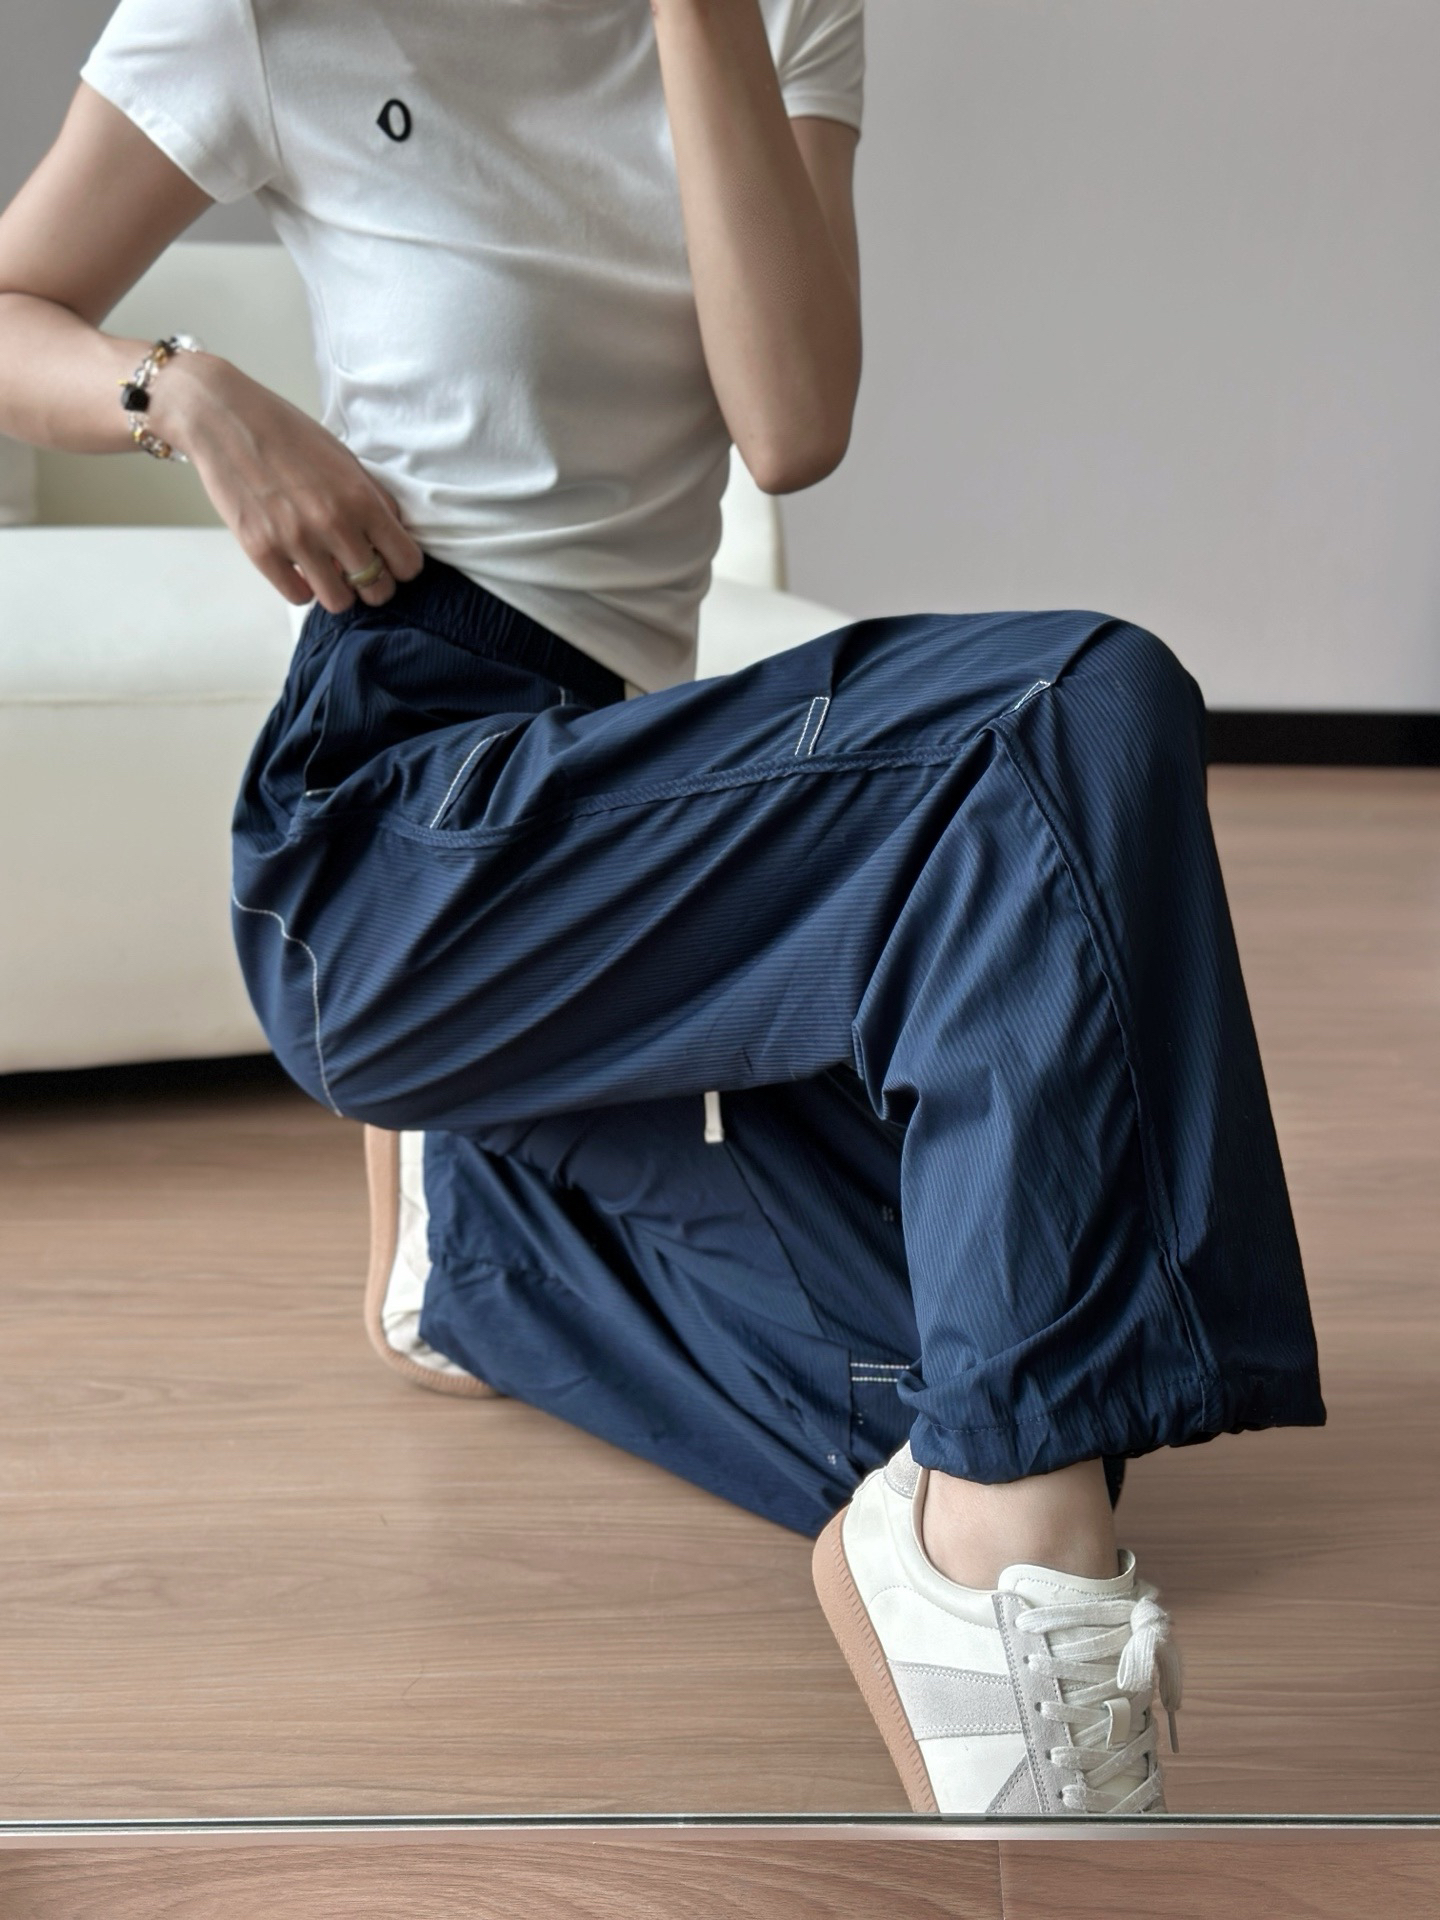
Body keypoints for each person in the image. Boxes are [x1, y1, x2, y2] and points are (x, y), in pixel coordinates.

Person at [0, 0, 1324, 1818]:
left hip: (636, 791)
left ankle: (479, 1247)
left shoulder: (777, 14)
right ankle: (992, 1578)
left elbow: (791, 423)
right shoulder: (265, 14)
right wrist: (183, 393)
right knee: (1075, 705)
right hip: (398, 811)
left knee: (999, 1350)